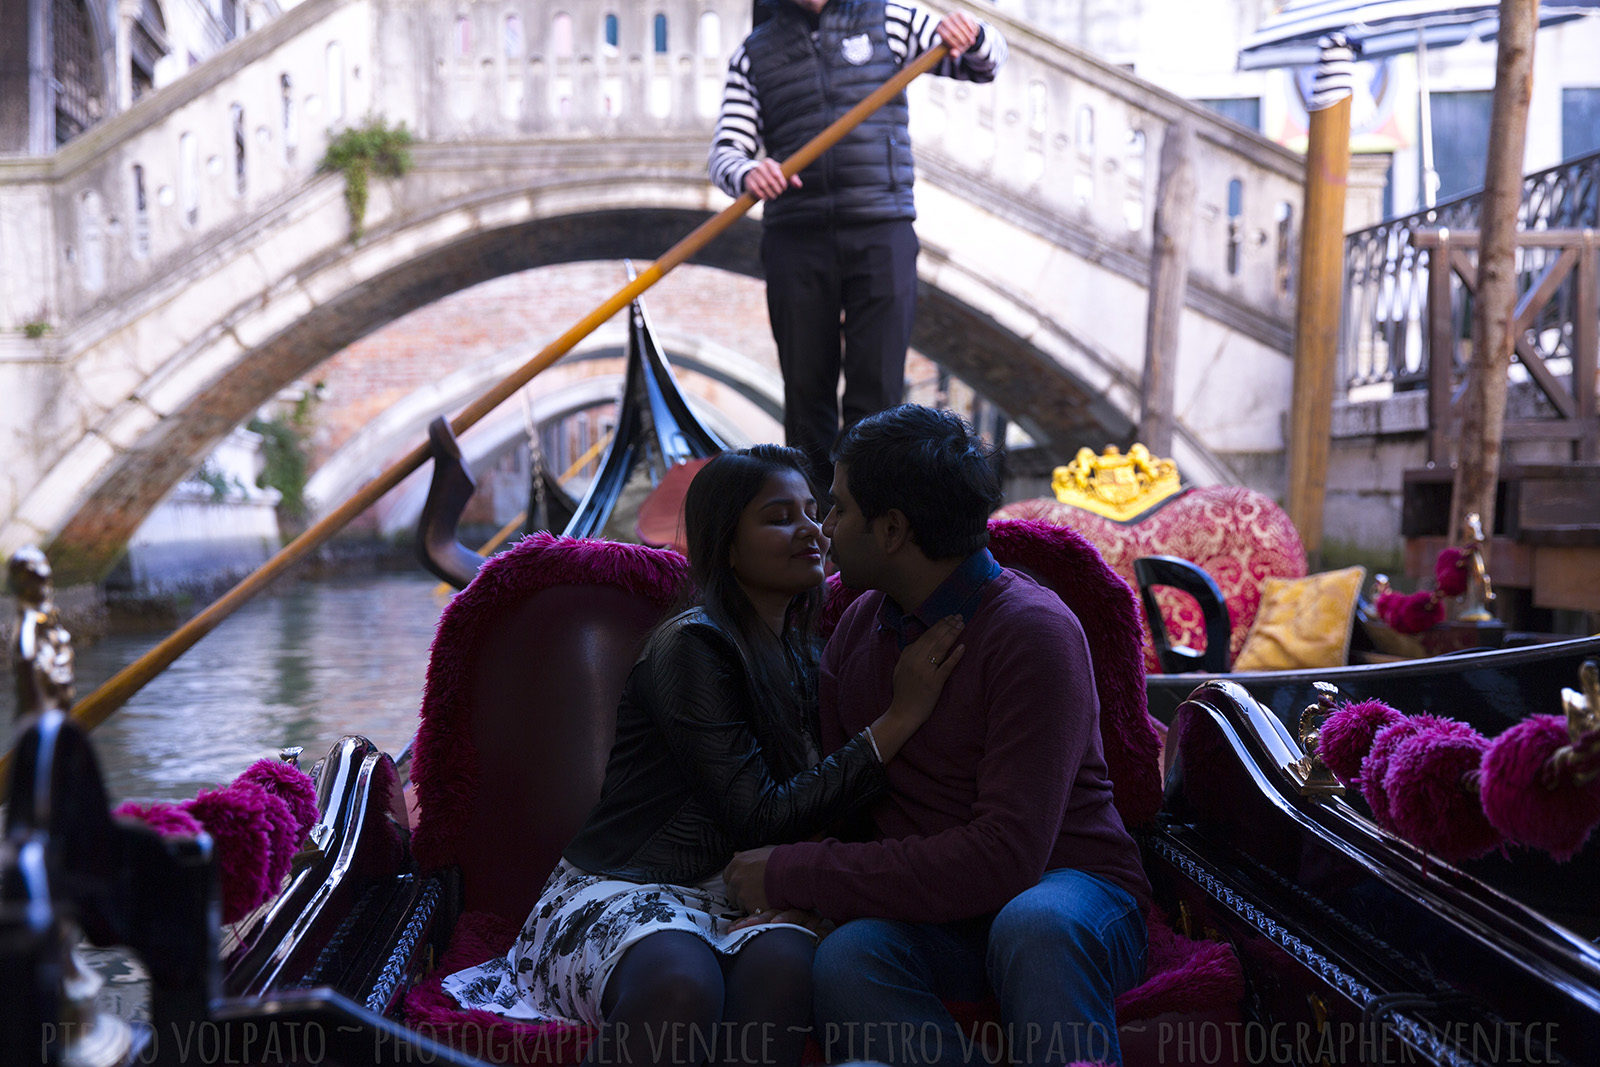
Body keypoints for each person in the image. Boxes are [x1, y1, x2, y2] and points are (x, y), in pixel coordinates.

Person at [442, 444, 965, 1066]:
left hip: (744, 897)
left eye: (813, 511)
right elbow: (760, 816)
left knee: (789, 968)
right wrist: (899, 718)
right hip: (629, 889)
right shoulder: (691, 646)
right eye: (779, 516)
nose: (812, 530)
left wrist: (810, 897)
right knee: (680, 984)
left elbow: (832, 811)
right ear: (727, 545)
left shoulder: (811, 650)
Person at [723, 407, 1151, 1066]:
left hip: (1071, 887)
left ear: (891, 529)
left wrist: (794, 872)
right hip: (944, 916)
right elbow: (849, 813)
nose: (827, 530)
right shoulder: (858, 629)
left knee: (1034, 924)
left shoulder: (1033, 632)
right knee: (846, 957)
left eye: (838, 509)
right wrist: (815, 897)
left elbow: (1005, 857)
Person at [708, 0, 1007, 491]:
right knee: (806, 393)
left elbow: (985, 61)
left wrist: (973, 34)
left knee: (879, 390)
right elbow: (726, 153)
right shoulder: (753, 53)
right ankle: (813, 526)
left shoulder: (891, 20)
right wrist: (747, 171)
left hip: (881, 228)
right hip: (795, 237)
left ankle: (871, 519)